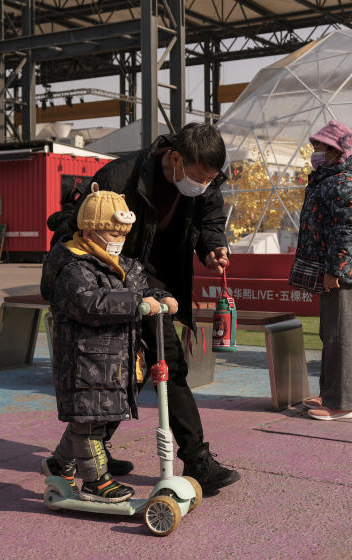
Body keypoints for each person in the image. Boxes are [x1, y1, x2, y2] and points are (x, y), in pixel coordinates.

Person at [47, 122, 240, 495]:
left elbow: (210, 217)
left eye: (210, 178)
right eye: (198, 176)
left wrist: (214, 243)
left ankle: (79, 453)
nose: (202, 184)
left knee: (127, 372)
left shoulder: (205, 179)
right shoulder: (121, 176)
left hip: (157, 283)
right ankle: (197, 460)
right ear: (175, 158)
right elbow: (78, 225)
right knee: (161, 367)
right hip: (121, 280)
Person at [40, 186, 176, 503]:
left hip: (117, 362)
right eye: (110, 232)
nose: (117, 239)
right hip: (84, 363)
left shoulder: (124, 265)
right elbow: (92, 303)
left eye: (122, 233)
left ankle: (59, 464)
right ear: (89, 230)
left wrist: (160, 298)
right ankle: (96, 482)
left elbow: (141, 291)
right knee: (89, 425)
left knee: (96, 420)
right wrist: (136, 303)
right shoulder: (73, 268)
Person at [291, 121, 352, 421]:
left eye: (320, 149)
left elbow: (349, 230)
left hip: (342, 273)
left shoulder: (344, 182)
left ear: (337, 150)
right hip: (335, 269)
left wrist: (335, 270)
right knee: (331, 333)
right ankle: (330, 394)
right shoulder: (331, 178)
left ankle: (343, 403)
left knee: (340, 336)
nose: (315, 154)